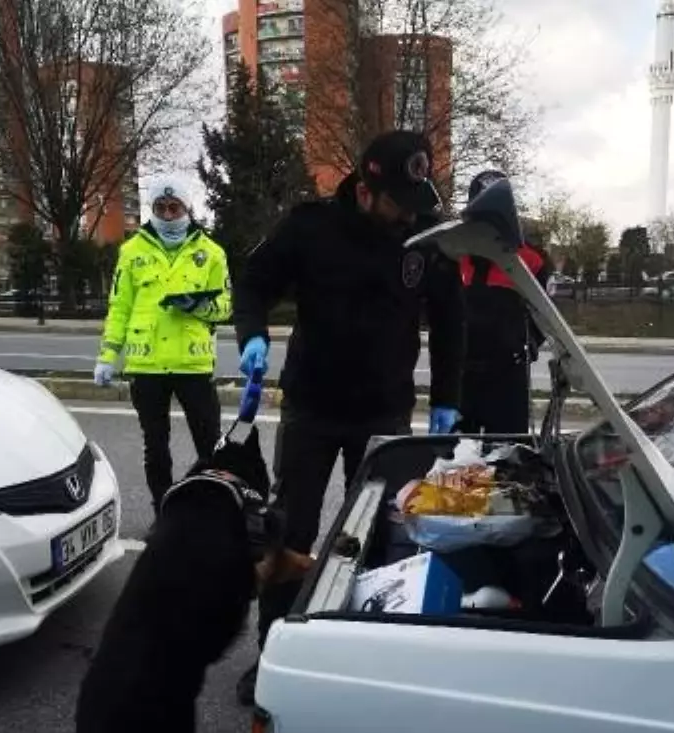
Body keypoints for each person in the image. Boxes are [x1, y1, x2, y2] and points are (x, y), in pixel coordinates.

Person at [232, 130, 465, 704]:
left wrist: (446, 397)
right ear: (366, 188)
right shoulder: (310, 227)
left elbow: (452, 320)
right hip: (313, 407)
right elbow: (253, 282)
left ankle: (367, 650)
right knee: (292, 531)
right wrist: (254, 335)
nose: (407, 214)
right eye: (398, 201)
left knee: (384, 536)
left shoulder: (424, 236)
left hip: (384, 411)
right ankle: (274, 651)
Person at [94, 176, 233, 516]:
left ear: (187, 209)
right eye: (161, 208)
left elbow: (226, 306)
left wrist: (197, 306)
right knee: (156, 448)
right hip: (147, 366)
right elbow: (120, 307)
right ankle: (164, 512)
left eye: (175, 208)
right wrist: (108, 355)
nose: (169, 216)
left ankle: (209, 512)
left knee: (210, 446)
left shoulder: (211, 253)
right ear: (152, 211)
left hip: (193, 366)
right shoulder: (131, 252)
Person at [456, 171, 551, 437]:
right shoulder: (456, 253)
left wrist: (527, 343)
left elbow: (545, 314)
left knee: (508, 451)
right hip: (463, 375)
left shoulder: (529, 260)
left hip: (507, 375)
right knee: (456, 457)